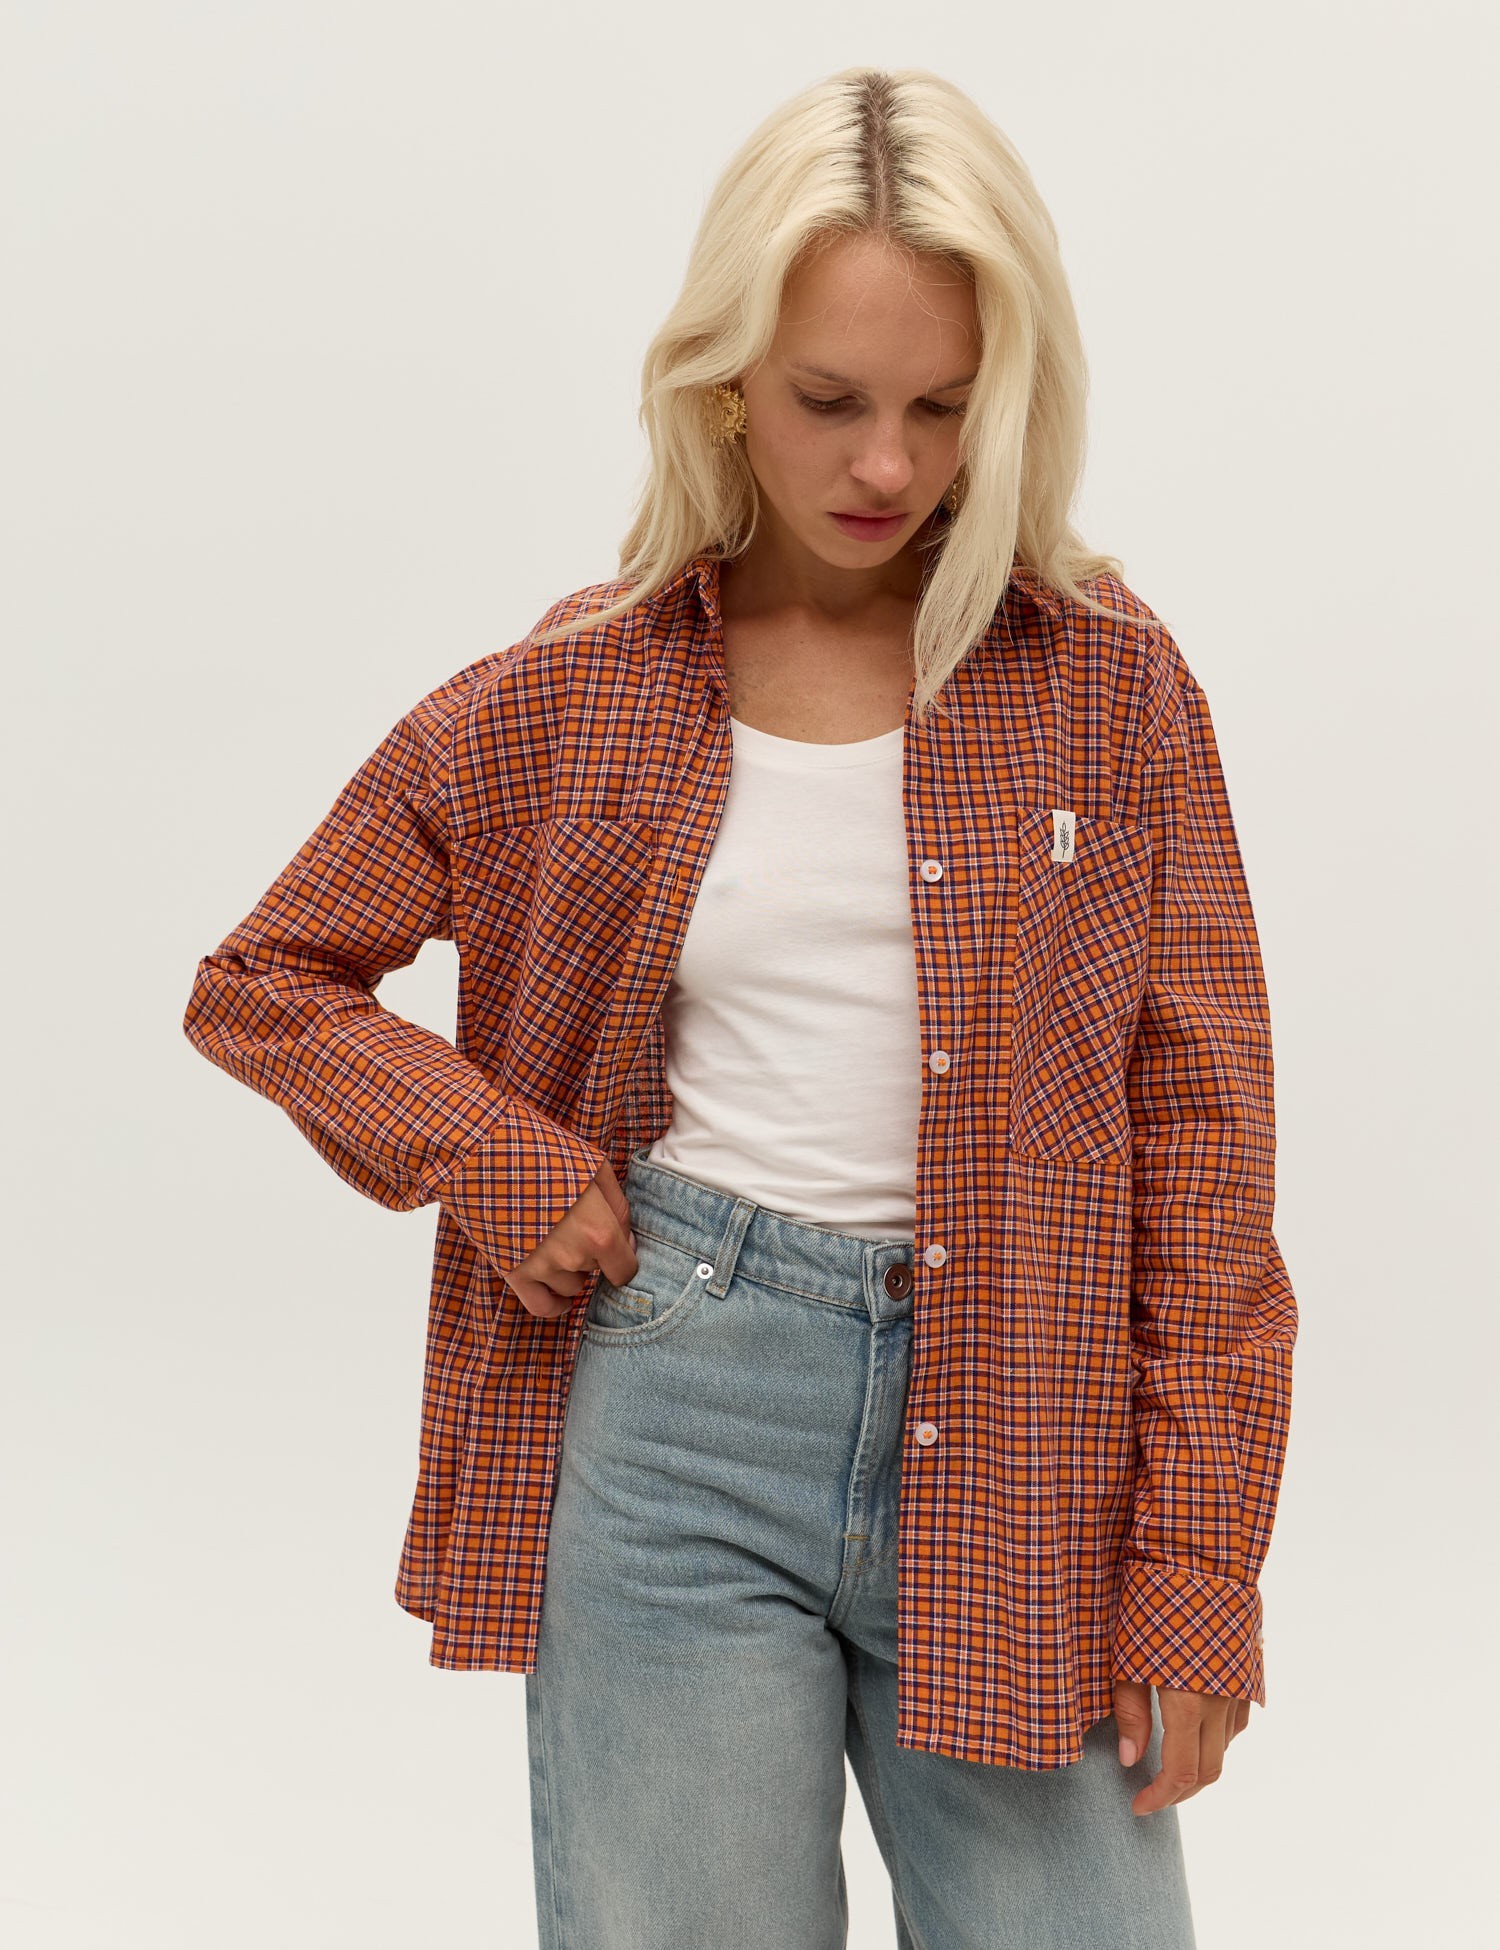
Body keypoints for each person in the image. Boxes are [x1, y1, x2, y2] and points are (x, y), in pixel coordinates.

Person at [183, 64, 1297, 1950]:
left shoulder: (1110, 686)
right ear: (724, 382)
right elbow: (266, 981)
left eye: (943, 405)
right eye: (830, 399)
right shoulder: (573, 692)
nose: (890, 467)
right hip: (681, 1403)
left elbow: (1205, 1154)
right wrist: (502, 1158)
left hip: (1021, 1426)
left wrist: (1199, 1569)